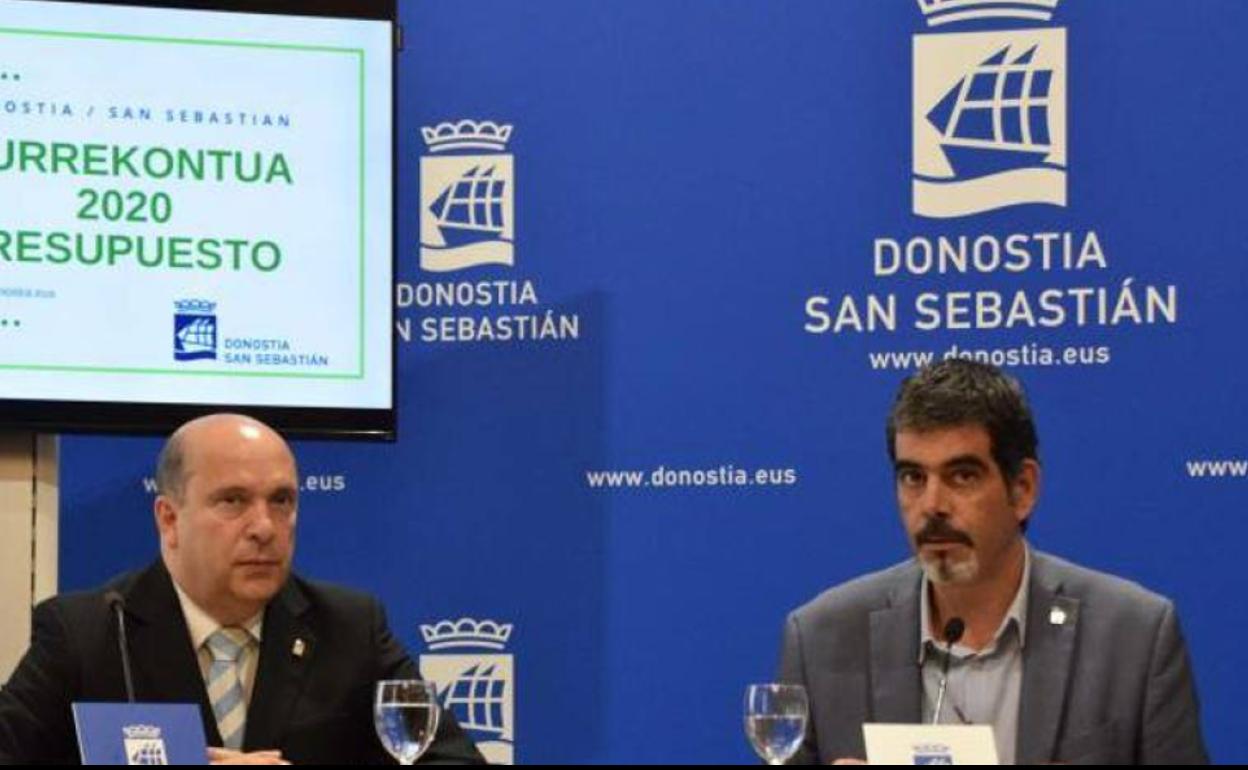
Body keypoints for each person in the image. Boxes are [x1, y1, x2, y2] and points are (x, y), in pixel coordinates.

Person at [778, 360, 1208, 765]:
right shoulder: (820, 639)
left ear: (1022, 489)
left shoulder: (1133, 636)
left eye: (962, 475)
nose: (932, 505)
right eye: (913, 477)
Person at [0, 413, 483, 765]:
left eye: (281, 501)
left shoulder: (349, 627)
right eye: (233, 501)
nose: (264, 527)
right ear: (169, 519)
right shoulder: (89, 634)